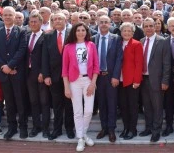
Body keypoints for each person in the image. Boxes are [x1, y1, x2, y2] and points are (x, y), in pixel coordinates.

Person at [0, 6, 28, 141]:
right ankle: (12, 127)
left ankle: (23, 127)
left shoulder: (22, 31)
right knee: (9, 103)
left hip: (17, 72)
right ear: (2, 16)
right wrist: (4, 67)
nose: (7, 17)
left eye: (10, 15)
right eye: (5, 15)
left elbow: (22, 50)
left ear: (14, 17)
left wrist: (11, 66)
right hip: (4, 74)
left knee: (20, 102)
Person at [62, 22, 99, 152]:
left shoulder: (91, 45)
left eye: (83, 30)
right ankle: (81, 138)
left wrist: (93, 83)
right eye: (78, 30)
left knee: (88, 110)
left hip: (88, 80)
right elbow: (64, 70)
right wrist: (66, 87)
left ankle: (82, 134)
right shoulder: (68, 47)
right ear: (74, 32)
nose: (81, 32)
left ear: (86, 32)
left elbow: (96, 66)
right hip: (74, 82)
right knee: (77, 111)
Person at [42, 13, 75, 140]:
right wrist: (46, 75)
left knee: (69, 105)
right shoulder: (48, 35)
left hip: (71, 77)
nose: (57, 21)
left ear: (65, 20)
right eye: (55, 19)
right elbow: (45, 56)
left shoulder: (72, 34)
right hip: (54, 77)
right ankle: (57, 129)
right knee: (57, 105)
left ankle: (69, 129)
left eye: (60, 18)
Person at [139, 18, 171, 143]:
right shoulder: (141, 41)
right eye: (146, 26)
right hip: (143, 79)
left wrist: (165, 81)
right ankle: (148, 128)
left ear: (155, 26)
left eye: (150, 26)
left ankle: (156, 131)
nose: (148, 28)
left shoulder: (162, 41)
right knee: (146, 106)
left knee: (157, 107)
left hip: (157, 80)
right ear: (143, 28)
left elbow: (167, 63)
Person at [92, 15, 123, 143]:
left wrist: (116, 76)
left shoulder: (116, 39)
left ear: (110, 24)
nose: (104, 24)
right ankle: (103, 127)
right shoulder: (93, 39)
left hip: (111, 77)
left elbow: (119, 59)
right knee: (101, 104)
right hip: (97, 77)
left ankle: (111, 129)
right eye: (101, 22)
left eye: (106, 22)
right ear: (98, 24)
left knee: (112, 103)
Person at [25, 12, 50, 138]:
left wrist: (43, 72)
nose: (33, 24)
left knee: (44, 102)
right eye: (31, 21)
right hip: (28, 73)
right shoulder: (27, 35)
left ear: (41, 23)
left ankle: (45, 128)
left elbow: (47, 57)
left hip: (40, 74)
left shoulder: (46, 36)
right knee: (33, 101)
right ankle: (36, 126)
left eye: (35, 22)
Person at [118, 22, 143, 140]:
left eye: (129, 31)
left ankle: (133, 129)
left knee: (132, 106)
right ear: (121, 32)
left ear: (133, 33)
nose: (126, 33)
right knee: (123, 106)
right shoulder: (118, 43)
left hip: (132, 81)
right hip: (120, 80)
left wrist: (137, 80)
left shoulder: (136, 44)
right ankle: (126, 128)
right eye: (124, 31)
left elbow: (139, 64)